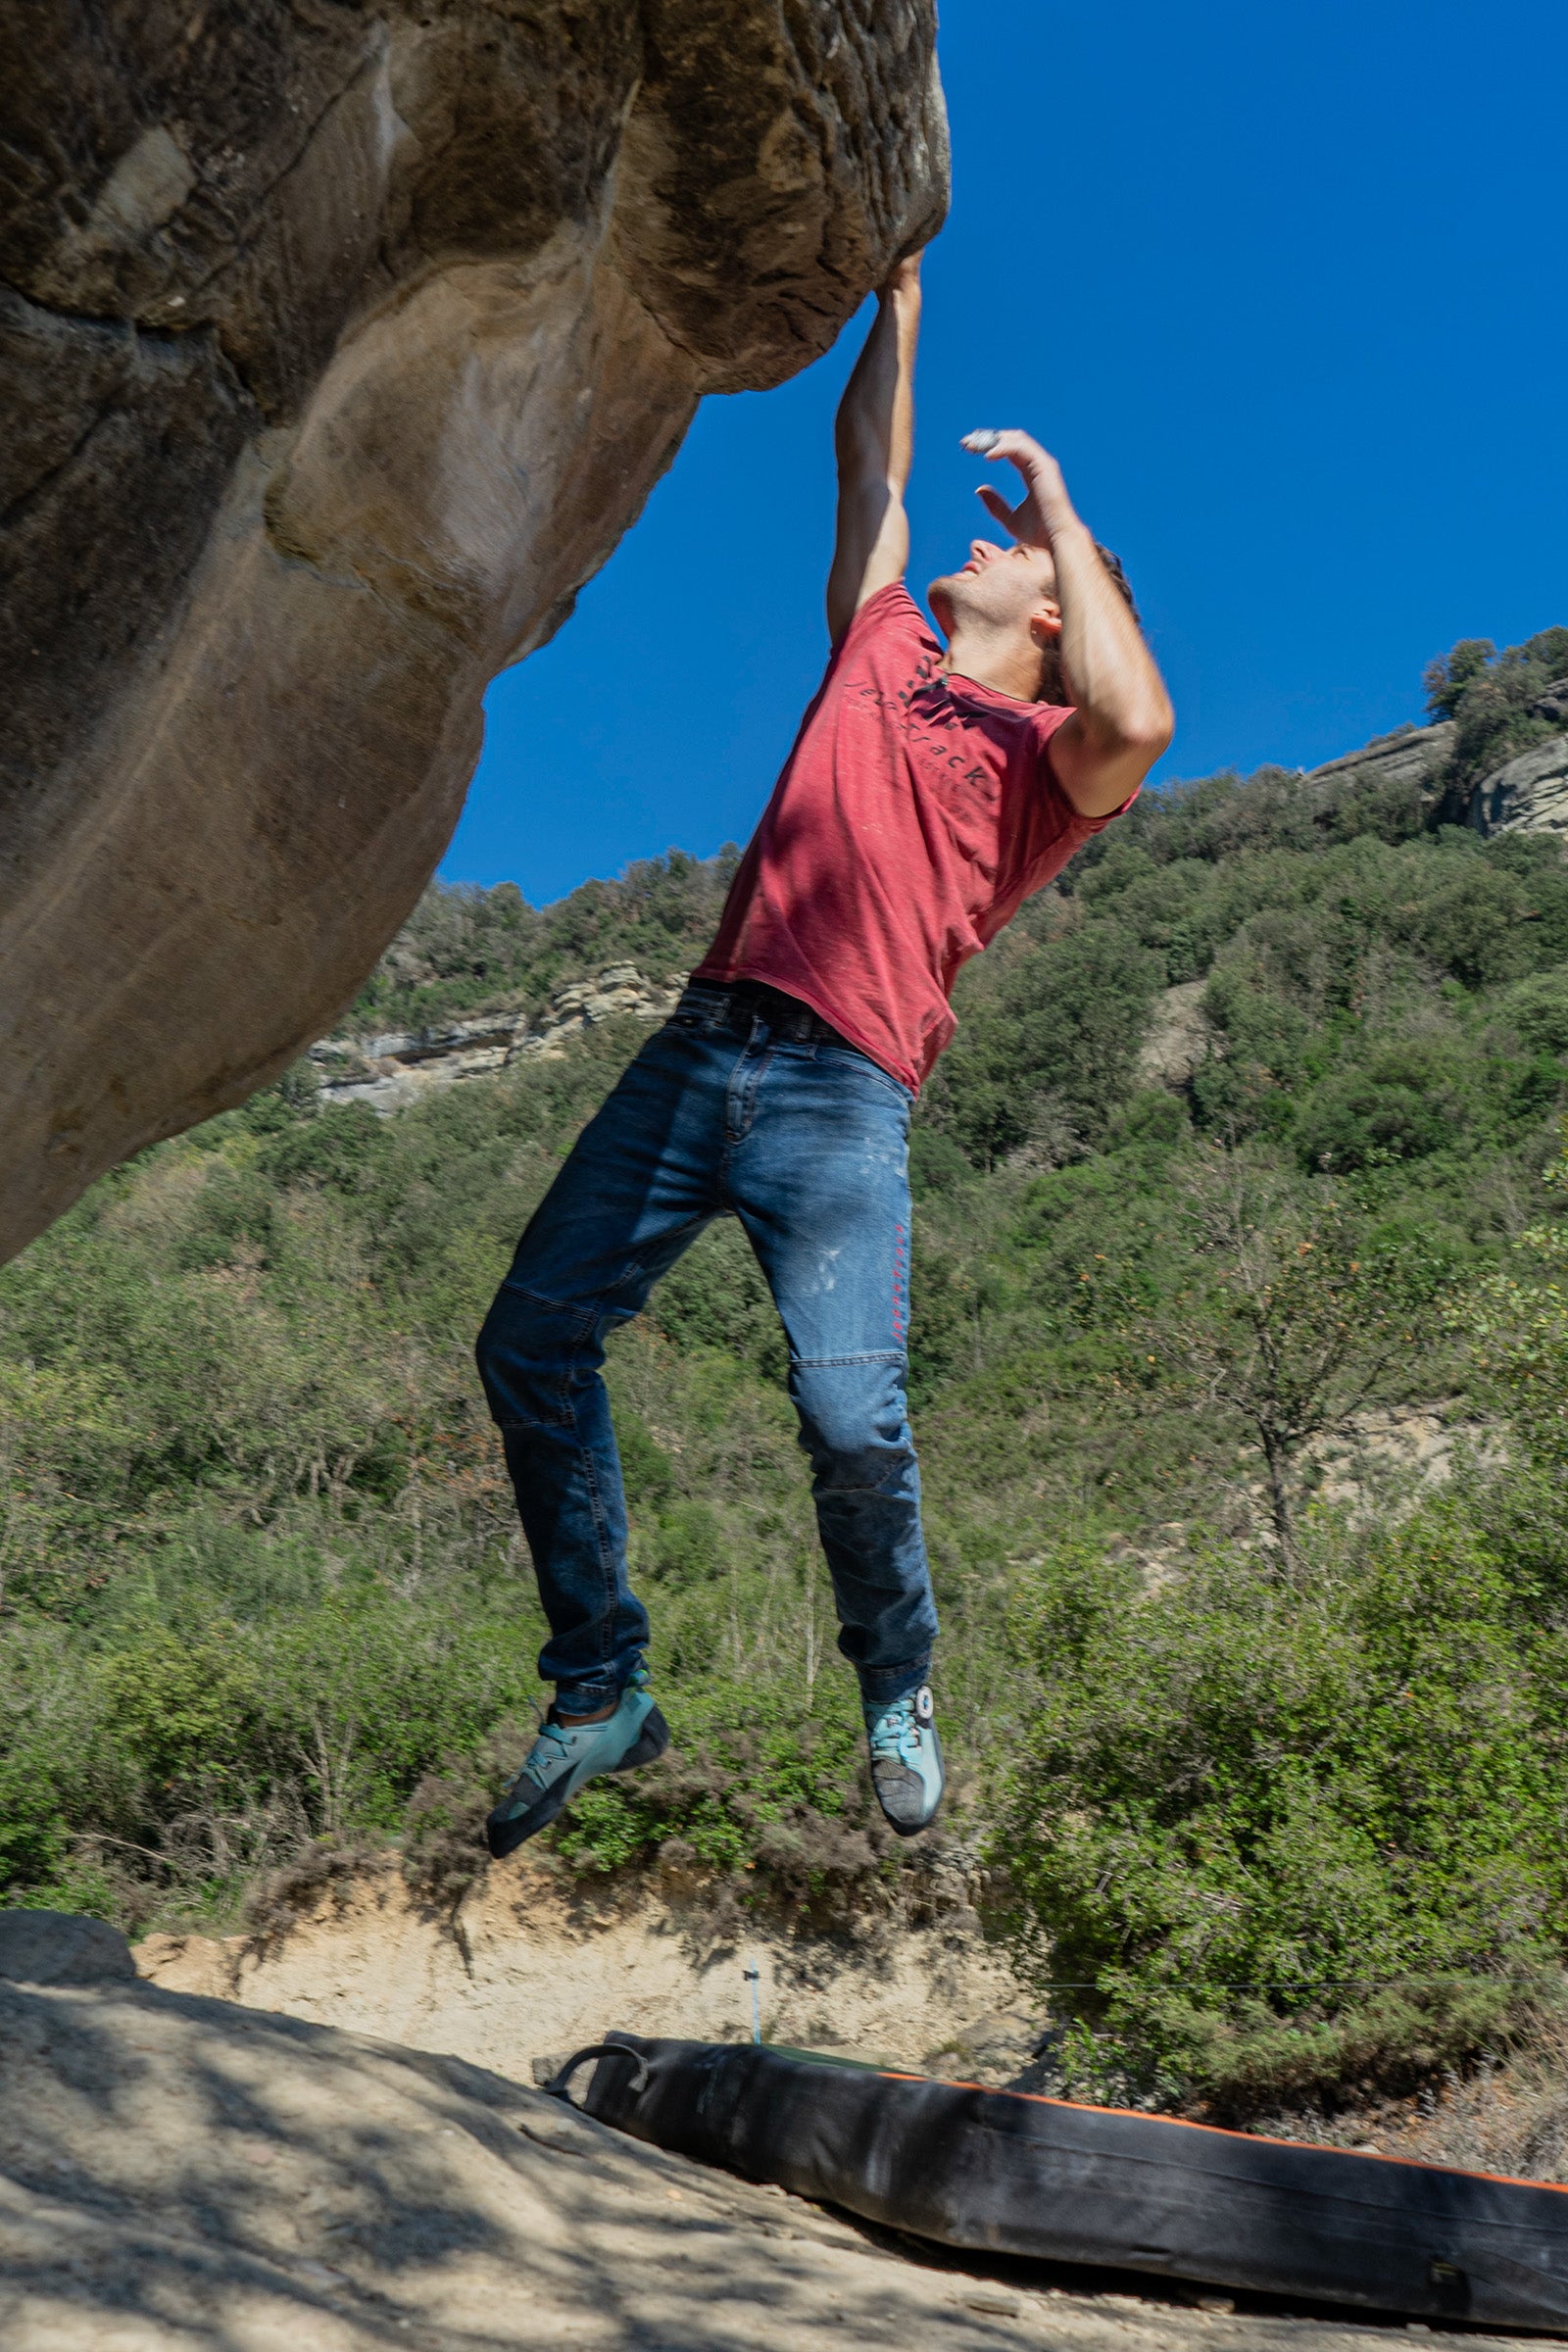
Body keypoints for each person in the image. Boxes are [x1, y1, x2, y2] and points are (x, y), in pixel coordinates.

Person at [475, 250, 1174, 1859]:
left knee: (856, 1423)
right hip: (697, 1049)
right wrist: (903, 309)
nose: (981, 546)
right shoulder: (876, 652)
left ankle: (899, 1686)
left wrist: (1063, 503)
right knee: (527, 1343)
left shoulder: (1051, 768)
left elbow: (1140, 722)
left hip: (841, 1095)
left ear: (1058, 613)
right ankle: (599, 1687)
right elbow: (869, 464)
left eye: (1012, 552)